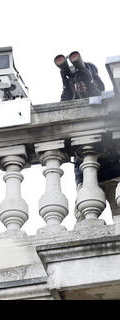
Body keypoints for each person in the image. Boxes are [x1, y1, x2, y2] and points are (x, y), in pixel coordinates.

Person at [55, 52, 120, 220]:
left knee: (118, 212)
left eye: (83, 81)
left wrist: (89, 82)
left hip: (113, 171)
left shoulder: (104, 99)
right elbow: (62, 111)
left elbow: (97, 101)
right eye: (77, 82)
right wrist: (67, 82)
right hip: (85, 174)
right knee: (84, 219)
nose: (80, 85)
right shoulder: (71, 101)